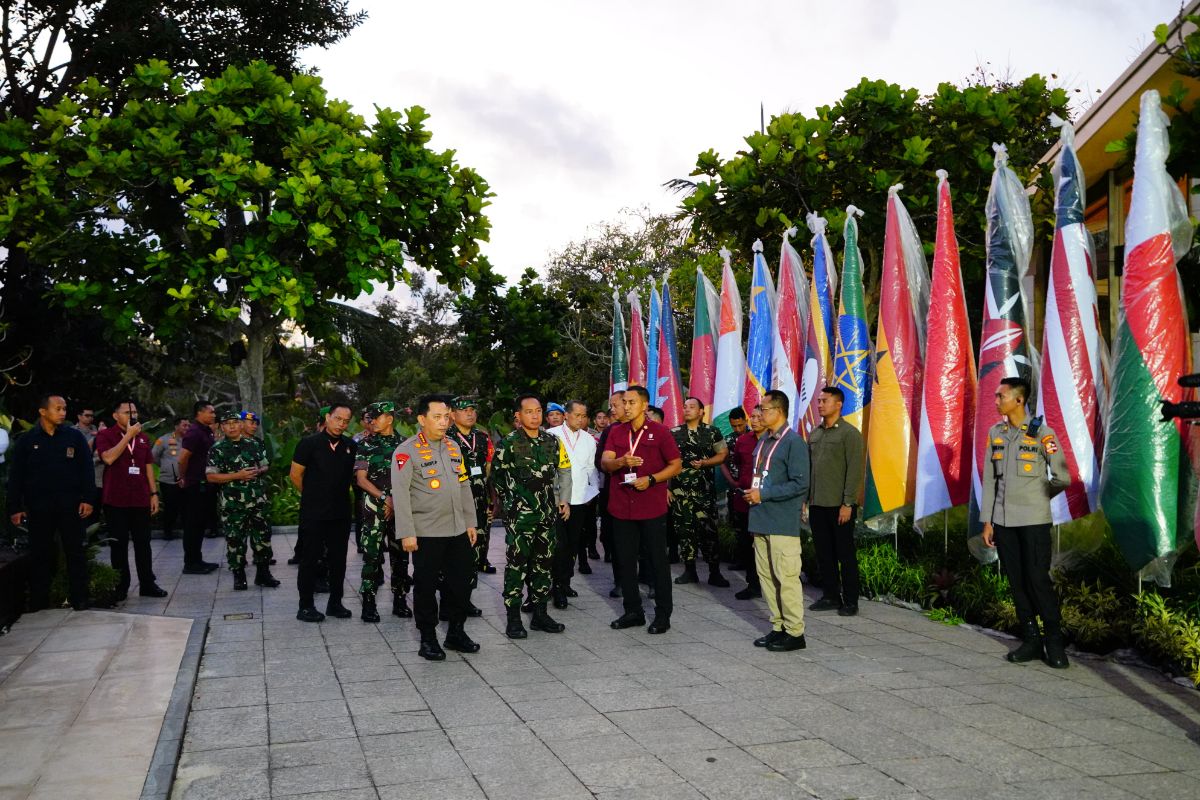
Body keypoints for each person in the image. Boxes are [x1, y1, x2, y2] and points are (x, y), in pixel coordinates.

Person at [981, 377, 1071, 669]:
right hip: (1004, 522)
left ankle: (1054, 641)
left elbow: (1063, 477)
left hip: (1033, 521)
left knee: (1037, 580)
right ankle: (1031, 640)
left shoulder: (1042, 434)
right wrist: (988, 521)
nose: (996, 401)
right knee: (1017, 582)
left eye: (1001, 396)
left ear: (1019, 400)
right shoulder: (996, 433)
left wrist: (1039, 496)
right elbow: (990, 482)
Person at [392, 394, 480, 661]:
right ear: (421, 419)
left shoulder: (453, 447)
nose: (444, 423)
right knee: (426, 587)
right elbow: (401, 494)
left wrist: (470, 522)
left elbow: (464, 485)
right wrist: (406, 532)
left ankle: (455, 632)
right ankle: (428, 638)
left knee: (461, 583)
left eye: (446, 417)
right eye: (437, 417)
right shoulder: (406, 451)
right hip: (426, 532)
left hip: (457, 530)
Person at [602, 385, 682, 634]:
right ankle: (633, 611)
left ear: (645, 405)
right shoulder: (616, 432)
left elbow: (676, 465)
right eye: (623, 402)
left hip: (651, 506)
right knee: (625, 561)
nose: (626, 406)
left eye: (631, 402)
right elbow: (605, 463)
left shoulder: (660, 432)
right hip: (621, 507)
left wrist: (652, 479)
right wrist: (620, 462)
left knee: (658, 561)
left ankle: (662, 614)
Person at [492, 394, 572, 639]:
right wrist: (512, 505)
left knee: (543, 565)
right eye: (529, 412)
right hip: (520, 518)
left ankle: (540, 614)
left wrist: (563, 499)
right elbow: (497, 478)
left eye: (538, 411)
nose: (535, 416)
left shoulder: (552, 441)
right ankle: (514, 618)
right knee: (517, 566)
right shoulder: (508, 443)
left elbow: (563, 470)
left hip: (547, 515)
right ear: (518, 415)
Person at [8, 395, 97, 611]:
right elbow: (16, 477)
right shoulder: (27, 441)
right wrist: (14, 507)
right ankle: (39, 600)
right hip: (39, 507)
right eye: (58, 408)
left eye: (65, 408)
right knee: (40, 553)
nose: (63, 413)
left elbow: (87, 470)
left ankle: (80, 598)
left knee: (75, 551)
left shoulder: (73, 437)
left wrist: (88, 499)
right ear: (43, 411)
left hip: (70, 505)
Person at [744, 390, 810, 652]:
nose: (759, 413)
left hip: (782, 522)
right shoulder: (764, 442)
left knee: (786, 577)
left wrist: (764, 494)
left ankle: (795, 632)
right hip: (760, 519)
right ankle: (778, 627)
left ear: (778, 411)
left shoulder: (793, 443)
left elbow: (800, 483)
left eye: (764, 409)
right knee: (767, 578)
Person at [291, 404, 357, 622]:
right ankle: (305, 606)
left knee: (338, 560)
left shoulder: (350, 446)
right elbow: (295, 475)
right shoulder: (309, 444)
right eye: (338, 418)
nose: (341, 424)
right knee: (310, 559)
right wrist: (312, 496)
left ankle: (335, 603)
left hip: (340, 513)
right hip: (314, 513)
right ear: (328, 417)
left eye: (346, 421)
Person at [95, 401, 168, 600]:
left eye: (135, 412)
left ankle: (147, 583)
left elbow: (147, 467)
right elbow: (108, 458)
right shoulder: (105, 435)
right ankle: (121, 586)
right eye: (127, 412)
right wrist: (128, 435)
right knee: (118, 545)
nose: (132, 416)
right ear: (116, 415)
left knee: (143, 543)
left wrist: (154, 494)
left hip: (140, 498)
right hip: (115, 499)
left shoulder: (143, 438)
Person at [806, 387, 865, 616]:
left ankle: (850, 600)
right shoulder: (816, 433)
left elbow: (854, 470)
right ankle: (830, 595)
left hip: (839, 505)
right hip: (817, 502)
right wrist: (806, 499)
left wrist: (848, 503)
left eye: (825, 401)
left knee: (845, 554)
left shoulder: (849, 433)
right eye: (819, 401)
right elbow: (810, 469)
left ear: (838, 404)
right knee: (824, 553)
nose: (820, 404)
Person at [206, 411, 280, 591]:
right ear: (222, 427)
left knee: (262, 537)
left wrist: (259, 470)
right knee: (235, 539)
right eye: (227, 423)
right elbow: (211, 477)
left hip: (257, 500)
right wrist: (237, 475)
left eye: (234, 422)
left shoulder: (254, 444)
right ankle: (239, 575)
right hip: (233, 504)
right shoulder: (217, 448)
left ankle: (263, 574)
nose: (231, 426)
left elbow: (265, 464)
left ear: (241, 425)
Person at [353, 401, 410, 622]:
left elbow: (409, 479)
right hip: (374, 508)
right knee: (372, 557)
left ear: (389, 418)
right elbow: (361, 480)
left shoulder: (405, 445)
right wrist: (386, 499)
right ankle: (368, 603)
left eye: (376, 417)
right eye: (370, 418)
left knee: (401, 557)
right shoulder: (365, 445)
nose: (372, 421)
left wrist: (397, 502)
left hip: (400, 509)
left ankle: (400, 600)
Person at [670, 397, 729, 587]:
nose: (687, 410)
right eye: (685, 406)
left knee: (709, 531)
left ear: (702, 411)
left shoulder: (712, 432)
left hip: (704, 492)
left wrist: (705, 463)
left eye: (692, 407)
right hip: (680, 493)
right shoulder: (674, 433)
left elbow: (722, 454)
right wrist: (666, 488)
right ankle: (690, 571)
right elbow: (665, 461)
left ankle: (714, 572)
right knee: (685, 531)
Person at [547, 400, 599, 609]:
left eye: (583, 415)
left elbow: (590, 469)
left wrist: (592, 493)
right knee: (559, 544)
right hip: (558, 499)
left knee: (573, 544)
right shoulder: (552, 435)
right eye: (577, 415)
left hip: (580, 499)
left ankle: (565, 582)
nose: (581, 419)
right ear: (566, 415)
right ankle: (556, 586)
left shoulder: (588, 439)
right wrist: (559, 498)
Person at [448, 396, 496, 575]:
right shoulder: (447, 438)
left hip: (481, 493)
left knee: (483, 529)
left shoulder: (482, 437)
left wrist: (492, 497)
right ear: (453, 414)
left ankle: (481, 561)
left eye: (472, 410)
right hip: (458, 495)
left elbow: (489, 466)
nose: (470, 413)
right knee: (461, 535)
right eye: (464, 410)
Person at [722, 406, 763, 599]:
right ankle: (753, 584)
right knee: (747, 544)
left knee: (767, 545)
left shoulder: (776, 441)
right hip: (744, 499)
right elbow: (737, 462)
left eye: (758, 416)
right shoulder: (742, 441)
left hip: (767, 501)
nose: (754, 420)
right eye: (752, 417)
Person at [176, 400, 220, 574]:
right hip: (195, 485)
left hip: (206, 485)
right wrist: (183, 477)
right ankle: (190, 563)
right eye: (211, 412)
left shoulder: (206, 431)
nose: (214, 415)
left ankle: (198, 559)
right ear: (200, 413)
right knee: (193, 525)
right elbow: (183, 458)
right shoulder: (194, 432)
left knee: (200, 525)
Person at [595, 391, 626, 596]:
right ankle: (620, 581)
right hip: (614, 491)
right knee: (617, 540)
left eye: (616, 405)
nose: (611, 410)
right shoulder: (611, 431)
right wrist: (616, 465)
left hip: (644, 494)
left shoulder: (652, 430)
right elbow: (600, 461)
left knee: (646, 542)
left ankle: (649, 580)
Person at [152, 417, 190, 540]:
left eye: (189, 425)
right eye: (184, 425)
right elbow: (153, 456)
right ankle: (168, 532)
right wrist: (165, 466)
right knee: (171, 507)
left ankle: (188, 531)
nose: (187, 428)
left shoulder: (190, 440)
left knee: (187, 507)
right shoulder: (163, 439)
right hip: (168, 480)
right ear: (176, 426)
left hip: (186, 480)